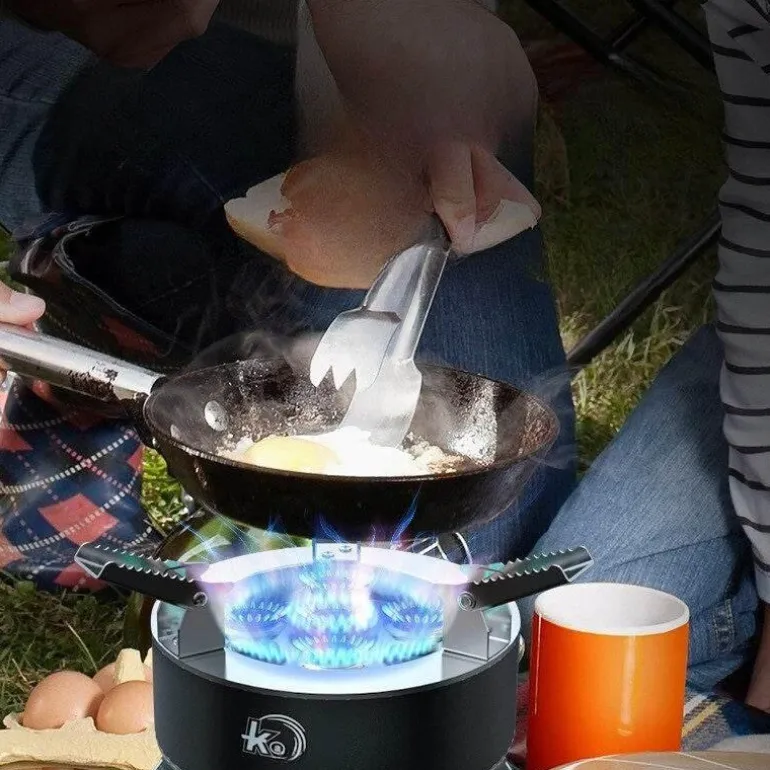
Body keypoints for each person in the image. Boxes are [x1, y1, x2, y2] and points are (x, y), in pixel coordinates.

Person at [0, 0, 761, 707]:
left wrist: (414, 114)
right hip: (39, 72)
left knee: (532, 615)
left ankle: (111, 281)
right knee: (504, 616)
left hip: (282, 72)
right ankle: (108, 287)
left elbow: (453, 54)